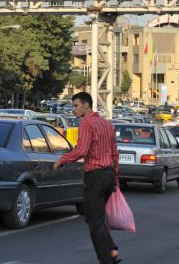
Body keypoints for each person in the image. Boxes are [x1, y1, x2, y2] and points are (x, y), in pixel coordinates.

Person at [53, 92, 121, 264]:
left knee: (94, 220)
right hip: (108, 175)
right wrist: (116, 179)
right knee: (94, 217)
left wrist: (63, 159)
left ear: (86, 105)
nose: (73, 109)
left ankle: (107, 258)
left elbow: (82, 150)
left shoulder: (86, 123)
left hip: (95, 176)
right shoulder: (107, 124)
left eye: (76, 105)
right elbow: (115, 154)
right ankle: (111, 249)